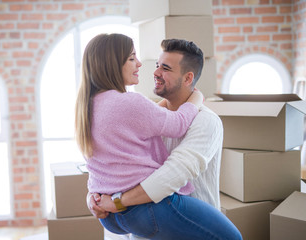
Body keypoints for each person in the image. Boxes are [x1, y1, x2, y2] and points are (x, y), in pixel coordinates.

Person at [87, 38, 242, 240]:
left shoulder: (206, 121)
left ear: (188, 79)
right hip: (145, 226)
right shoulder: (145, 114)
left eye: (166, 68)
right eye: (157, 65)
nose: (155, 72)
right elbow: (109, 161)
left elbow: (171, 175)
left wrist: (116, 201)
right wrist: (94, 195)